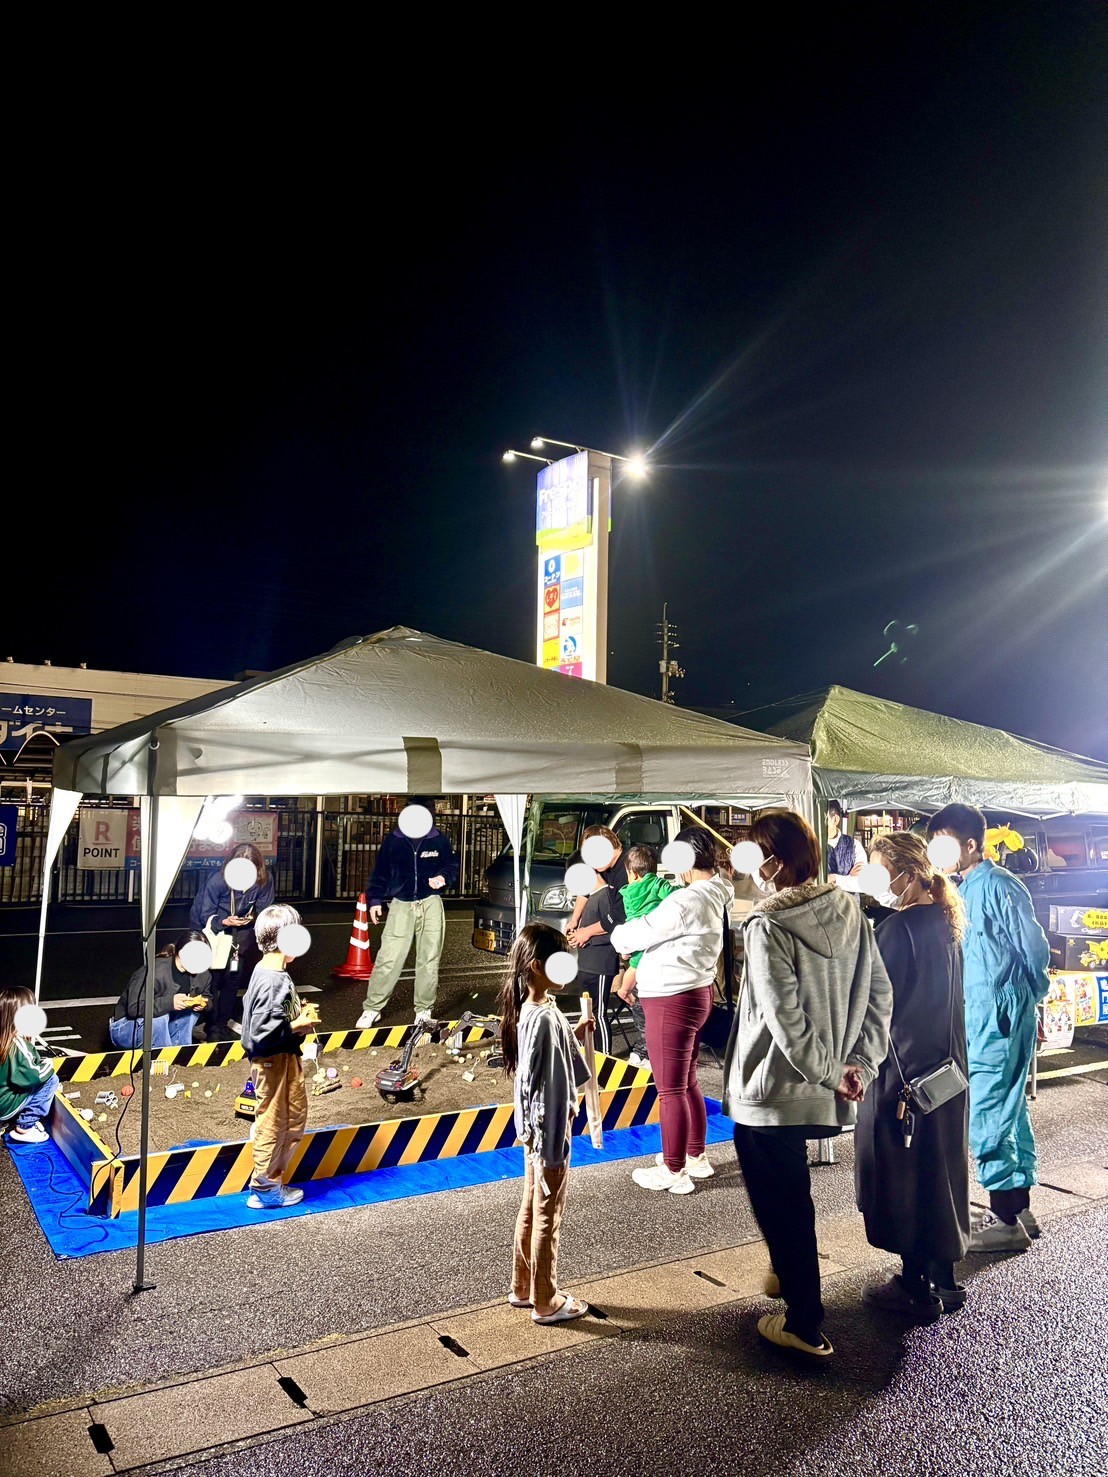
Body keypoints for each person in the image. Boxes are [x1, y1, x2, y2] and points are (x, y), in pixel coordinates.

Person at [722, 808, 893, 1361]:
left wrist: (829, 1070)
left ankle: (803, 1323)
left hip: (772, 1087)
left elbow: (784, 1017)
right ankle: (786, 1272)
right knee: (789, 1197)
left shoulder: (767, 925)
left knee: (784, 1203)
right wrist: (857, 1066)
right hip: (827, 1086)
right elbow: (880, 995)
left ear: (773, 863)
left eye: (755, 856)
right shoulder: (851, 911)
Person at [855, 832, 971, 1320]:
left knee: (903, 1176)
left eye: (881, 871)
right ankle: (944, 1276)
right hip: (945, 1074)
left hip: (901, 1075)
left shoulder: (896, 930)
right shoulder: (946, 921)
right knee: (941, 1169)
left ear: (908, 873)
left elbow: (873, 1008)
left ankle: (914, 1287)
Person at [927, 802, 1051, 1251]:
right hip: (984, 1014)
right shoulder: (962, 888)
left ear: (970, 844)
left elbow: (1033, 949)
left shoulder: (999, 884)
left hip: (998, 1015)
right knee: (1008, 1112)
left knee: (988, 1112)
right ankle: (1018, 1208)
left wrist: (1025, 1001)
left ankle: (1004, 1220)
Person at [610, 827, 733, 1195]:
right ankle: (695, 1156)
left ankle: (674, 1169)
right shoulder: (716, 890)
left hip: (671, 999)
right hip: (696, 993)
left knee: (670, 1090)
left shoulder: (686, 901)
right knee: (686, 1081)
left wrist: (619, 935)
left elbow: (635, 935)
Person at [500, 921, 592, 1323]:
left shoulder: (536, 1008)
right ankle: (545, 1300)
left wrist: (575, 1032)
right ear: (538, 966)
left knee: (531, 1206)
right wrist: (545, 1139)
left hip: (535, 1130)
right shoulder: (542, 1018)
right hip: (548, 1131)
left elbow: (547, 1059)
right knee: (548, 1214)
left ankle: (522, 1287)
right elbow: (537, 1085)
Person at [356, 797, 460, 1029]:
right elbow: (380, 871)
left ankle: (424, 1009)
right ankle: (373, 1008)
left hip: (431, 902)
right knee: (389, 958)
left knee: (429, 959)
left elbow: (452, 865)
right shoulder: (394, 840)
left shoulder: (438, 839)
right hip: (401, 903)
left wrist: (443, 877)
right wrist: (375, 899)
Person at [240, 902, 318, 1210]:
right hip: (274, 1061)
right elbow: (261, 1032)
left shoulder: (269, 970)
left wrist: (296, 1015)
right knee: (276, 1122)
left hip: (278, 1058)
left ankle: (269, 1182)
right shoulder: (273, 980)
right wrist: (298, 1024)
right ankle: (266, 1187)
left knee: (289, 1118)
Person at [189, 843, 275, 1041]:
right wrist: (223, 921)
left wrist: (253, 919)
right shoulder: (217, 880)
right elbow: (204, 914)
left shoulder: (264, 879)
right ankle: (211, 1025)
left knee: (233, 976)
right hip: (210, 928)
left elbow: (265, 909)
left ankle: (222, 1023)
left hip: (241, 931)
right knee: (212, 978)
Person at [614, 843, 678, 1069]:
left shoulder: (627, 892)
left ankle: (624, 990)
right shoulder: (658, 884)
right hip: (653, 942)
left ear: (632, 873)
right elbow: (676, 898)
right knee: (637, 966)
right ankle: (647, 1051)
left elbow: (629, 917)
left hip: (634, 938)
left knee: (634, 965)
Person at [109, 931, 213, 1050]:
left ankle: (181, 1051)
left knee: (190, 1013)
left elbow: (208, 998)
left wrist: (204, 1005)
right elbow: (134, 1008)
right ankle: (163, 1056)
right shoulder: (153, 972)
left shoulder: (203, 975)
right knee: (159, 1018)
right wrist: (170, 1003)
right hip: (125, 1028)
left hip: (166, 1023)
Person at [564, 853, 625, 1056]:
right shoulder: (591, 895)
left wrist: (586, 937)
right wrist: (577, 932)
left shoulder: (605, 895)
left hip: (601, 964)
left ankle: (605, 1055)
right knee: (588, 1013)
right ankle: (591, 1053)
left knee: (599, 1014)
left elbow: (613, 931)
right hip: (586, 963)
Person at [1, 987, 59, 1145]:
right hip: (4, 1107)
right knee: (51, 1080)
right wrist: (48, 1064)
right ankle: (25, 1126)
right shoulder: (17, 1044)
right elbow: (34, 1076)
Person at [826, 801, 866, 879]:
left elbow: (859, 880)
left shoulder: (855, 845)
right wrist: (848, 878)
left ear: (835, 819)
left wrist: (833, 878)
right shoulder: (810, 846)